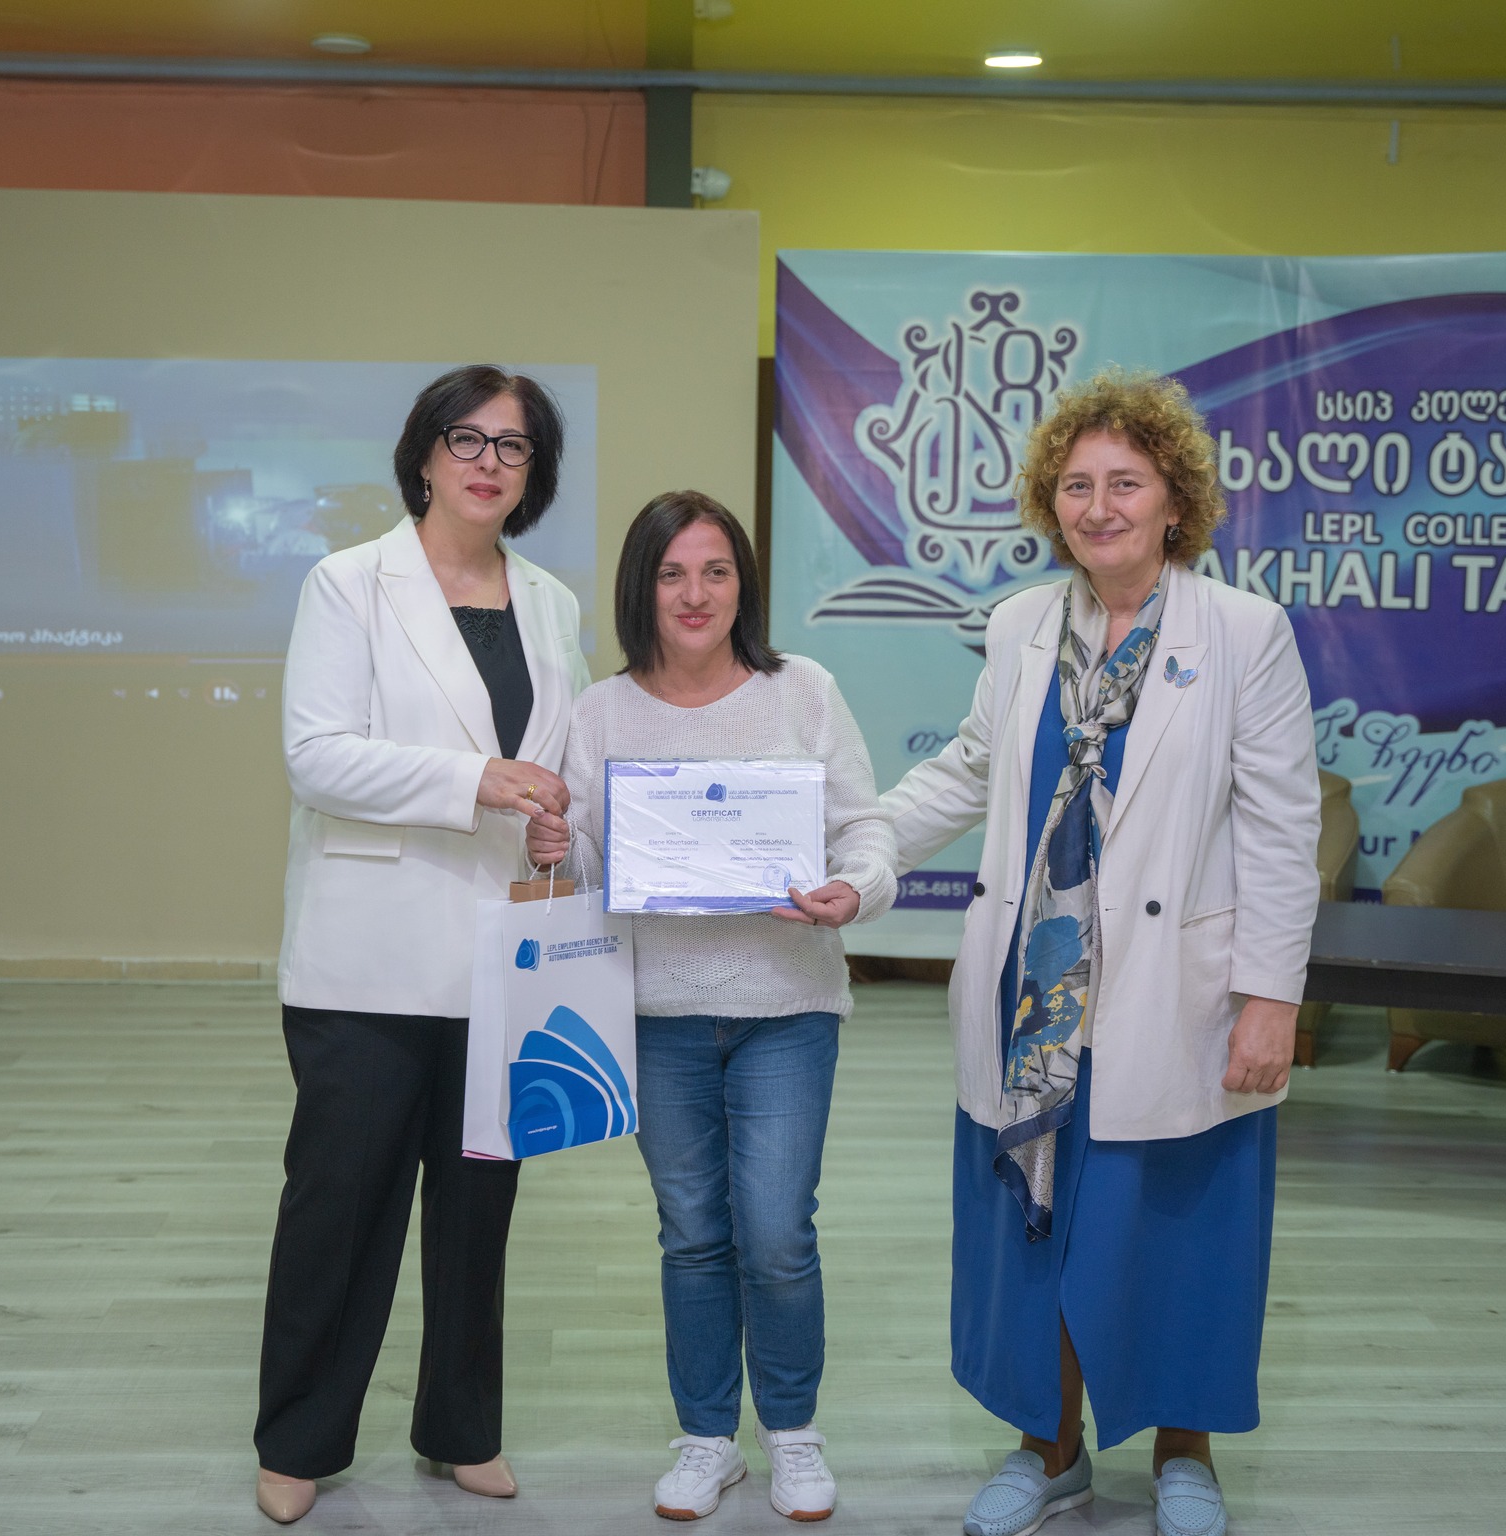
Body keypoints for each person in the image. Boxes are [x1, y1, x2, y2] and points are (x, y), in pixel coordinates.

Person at [880, 371, 1318, 1536]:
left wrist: (1270, 996)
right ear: (1049, 504)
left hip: (1177, 993)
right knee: (1035, 1222)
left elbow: (1282, 826)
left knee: (1176, 1226)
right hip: (1037, 994)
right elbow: (969, 770)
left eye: (1124, 483)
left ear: (1174, 500)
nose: (1097, 506)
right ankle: (1048, 1447)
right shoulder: (1020, 625)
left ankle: (1184, 1453)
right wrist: (856, 847)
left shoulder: (1241, 632)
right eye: (1074, 486)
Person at [253, 365, 589, 1525]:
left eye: (514, 445)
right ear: (425, 454)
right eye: (467, 438)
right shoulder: (348, 582)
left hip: (503, 954)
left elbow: (557, 757)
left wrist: (553, 816)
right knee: (339, 1208)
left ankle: (459, 1429)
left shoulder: (551, 602)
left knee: (476, 1210)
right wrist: (475, 781)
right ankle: (299, 1439)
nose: (489, 462)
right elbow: (316, 757)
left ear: (534, 471)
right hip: (368, 960)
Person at [525, 491, 896, 1524]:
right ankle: (704, 1439)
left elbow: (866, 830)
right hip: (655, 1015)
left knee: (775, 1231)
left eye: (716, 571)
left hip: (789, 1005)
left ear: (744, 584)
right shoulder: (601, 711)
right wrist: (557, 846)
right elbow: (590, 859)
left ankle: (792, 1433)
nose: (695, 594)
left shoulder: (803, 691)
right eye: (672, 573)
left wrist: (854, 890)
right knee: (690, 1232)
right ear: (641, 587)